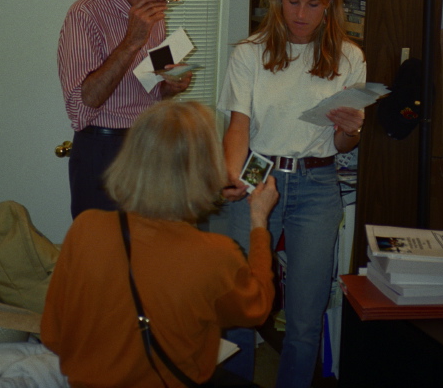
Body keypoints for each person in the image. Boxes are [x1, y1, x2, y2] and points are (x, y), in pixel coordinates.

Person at [40, 100, 279, 387]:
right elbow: (258, 308)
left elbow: (53, 335)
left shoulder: (86, 228)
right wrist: (259, 223)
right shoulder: (215, 254)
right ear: (205, 168)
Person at [217, 0, 366, 387]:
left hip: (318, 181)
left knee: (305, 314)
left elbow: (343, 144)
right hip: (257, 173)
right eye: (294, 1)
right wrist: (231, 176)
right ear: (278, 0)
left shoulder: (349, 58)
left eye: (313, 4)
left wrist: (352, 130)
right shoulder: (250, 53)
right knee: (240, 305)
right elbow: (238, 125)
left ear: (329, 7)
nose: (301, 14)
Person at [57, 0, 194, 218]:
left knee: (149, 251)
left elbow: (146, 84)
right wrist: (131, 41)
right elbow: (79, 109)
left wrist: (167, 87)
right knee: (101, 253)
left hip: (149, 142)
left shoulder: (154, 14)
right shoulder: (84, 15)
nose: (160, 4)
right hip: (102, 148)